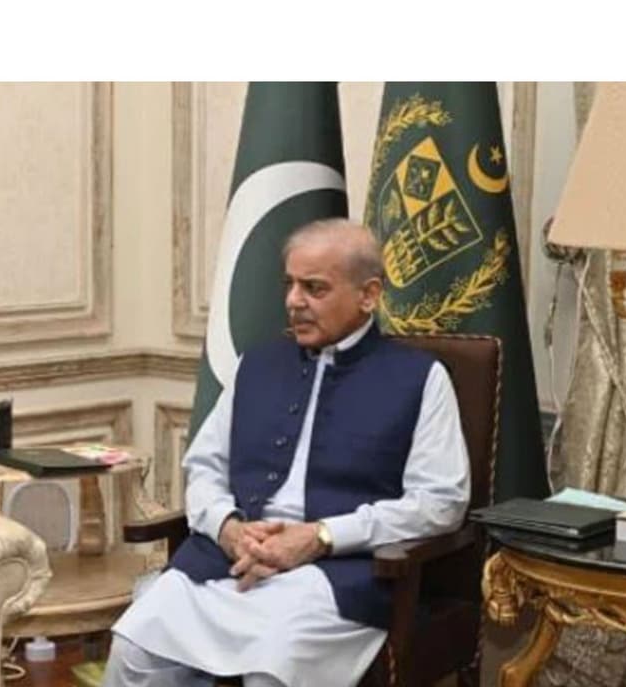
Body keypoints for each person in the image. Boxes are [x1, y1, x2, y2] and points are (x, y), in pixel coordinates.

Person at [104, 220, 470, 687]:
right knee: (135, 649)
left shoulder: (420, 378)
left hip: (335, 577)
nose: (294, 301)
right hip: (231, 560)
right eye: (290, 285)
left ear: (369, 295)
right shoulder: (256, 364)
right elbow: (205, 466)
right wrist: (227, 528)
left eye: (314, 288)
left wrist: (321, 536)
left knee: (271, 672)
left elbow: (441, 502)